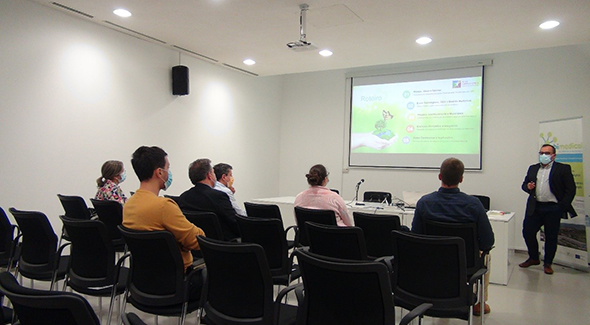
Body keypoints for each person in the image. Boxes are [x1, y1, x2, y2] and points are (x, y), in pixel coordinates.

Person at [411, 157, 494, 316]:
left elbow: (416, 236)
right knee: (487, 257)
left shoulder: (424, 203)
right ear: (461, 179)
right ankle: (480, 304)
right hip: (466, 263)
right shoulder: (474, 204)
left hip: (431, 260)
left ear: (440, 176)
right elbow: (487, 242)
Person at [122, 146, 205, 299]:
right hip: (179, 284)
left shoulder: (129, 205)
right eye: (168, 168)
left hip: (143, 282)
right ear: (159, 172)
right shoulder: (163, 206)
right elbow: (197, 241)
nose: (169, 173)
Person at [520, 144, 576, 275]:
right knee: (527, 232)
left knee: (551, 237)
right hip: (535, 207)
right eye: (541, 153)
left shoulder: (563, 169)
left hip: (553, 208)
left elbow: (570, 190)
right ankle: (534, 257)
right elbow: (524, 185)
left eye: (547, 153)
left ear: (553, 156)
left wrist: (561, 206)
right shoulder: (533, 168)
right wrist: (528, 186)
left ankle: (548, 263)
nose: (543, 155)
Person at [178, 159, 240, 241]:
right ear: (209, 175)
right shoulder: (219, 197)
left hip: (197, 246)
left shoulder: (183, 198)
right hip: (223, 246)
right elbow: (235, 223)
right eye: (213, 172)